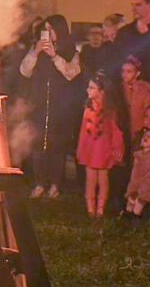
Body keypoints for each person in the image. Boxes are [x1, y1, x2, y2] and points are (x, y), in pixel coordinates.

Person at [20, 14, 81, 199]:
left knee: (57, 148)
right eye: (45, 29)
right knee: (38, 147)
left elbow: (72, 73)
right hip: (39, 106)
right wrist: (35, 52)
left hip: (59, 107)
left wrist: (55, 56)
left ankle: (55, 184)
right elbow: (24, 70)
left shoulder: (71, 51)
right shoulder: (36, 49)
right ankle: (39, 184)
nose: (48, 33)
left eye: (51, 29)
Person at [76, 74, 125, 218]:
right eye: (88, 87)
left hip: (104, 150)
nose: (88, 90)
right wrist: (80, 149)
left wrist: (117, 149)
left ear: (102, 91)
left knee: (103, 180)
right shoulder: (88, 110)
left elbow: (116, 132)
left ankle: (101, 208)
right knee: (90, 180)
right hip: (90, 150)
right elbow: (83, 132)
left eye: (92, 88)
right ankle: (90, 209)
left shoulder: (110, 112)